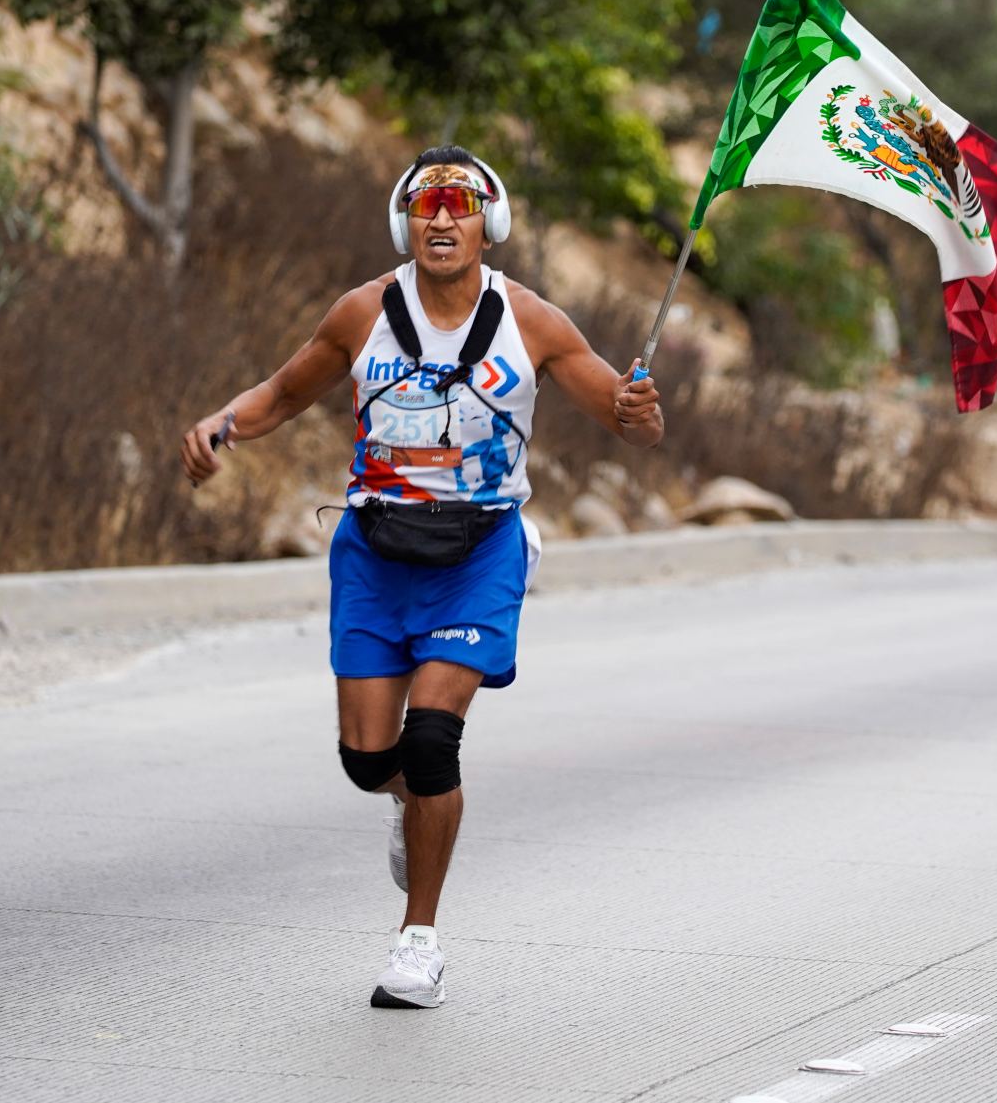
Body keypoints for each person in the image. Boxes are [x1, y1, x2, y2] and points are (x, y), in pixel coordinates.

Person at [179, 145, 665, 1009]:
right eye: (427, 202)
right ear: (406, 219)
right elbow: (286, 393)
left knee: (433, 739)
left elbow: (623, 418)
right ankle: (409, 799)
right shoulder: (362, 312)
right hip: (375, 550)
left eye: (461, 202)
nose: (443, 217)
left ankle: (419, 940)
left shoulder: (535, 321)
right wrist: (223, 424)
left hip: (480, 551)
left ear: (490, 221)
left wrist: (638, 412)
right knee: (370, 762)